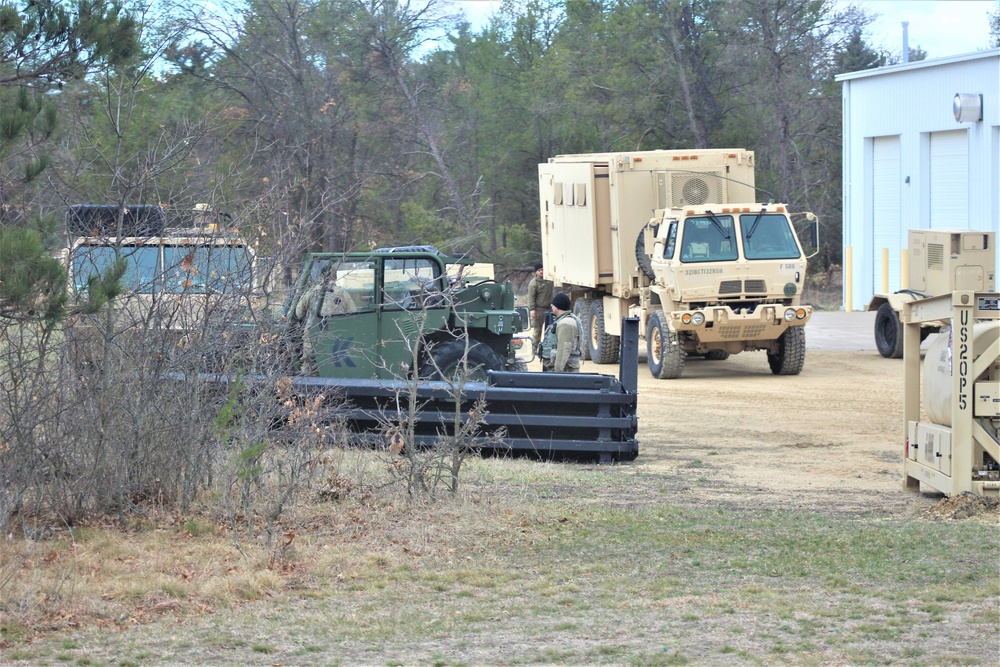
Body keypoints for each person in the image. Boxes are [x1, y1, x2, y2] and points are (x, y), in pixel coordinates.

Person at [293, 265, 357, 372]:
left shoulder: (311, 292)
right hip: (338, 336)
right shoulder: (343, 293)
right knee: (335, 365)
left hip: (312, 334)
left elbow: (298, 313)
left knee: (308, 363)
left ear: (320, 277)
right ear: (335, 278)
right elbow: (353, 314)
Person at [540, 292, 582, 372]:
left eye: (553, 304)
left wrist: (557, 372)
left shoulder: (566, 323)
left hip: (565, 371)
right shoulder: (562, 321)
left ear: (558, 306)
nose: (551, 306)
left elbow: (564, 349)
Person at [527, 261, 554, 345]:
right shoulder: (533, 283)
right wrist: (532, 309)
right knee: (537, 331)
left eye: (542, 269)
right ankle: (535, 348)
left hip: (549, 308)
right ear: (536, 272)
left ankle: (548, 348)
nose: (541, 272)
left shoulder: (549, 280)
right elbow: (531, 297)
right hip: (539, 309)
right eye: (539, 270)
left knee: (550, 330)